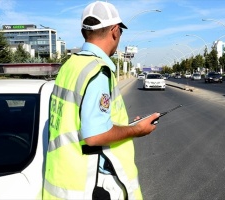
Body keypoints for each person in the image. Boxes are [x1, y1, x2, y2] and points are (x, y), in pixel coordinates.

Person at [43, 1, 160, 200]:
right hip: (92, 186)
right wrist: (136, 130)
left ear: (84, 33)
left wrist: (124, 125)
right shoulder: (97, 71)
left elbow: (78, 119)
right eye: (121, 32)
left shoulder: (70, 66)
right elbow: (95, 135)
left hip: (61, 180)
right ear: (115, 31)